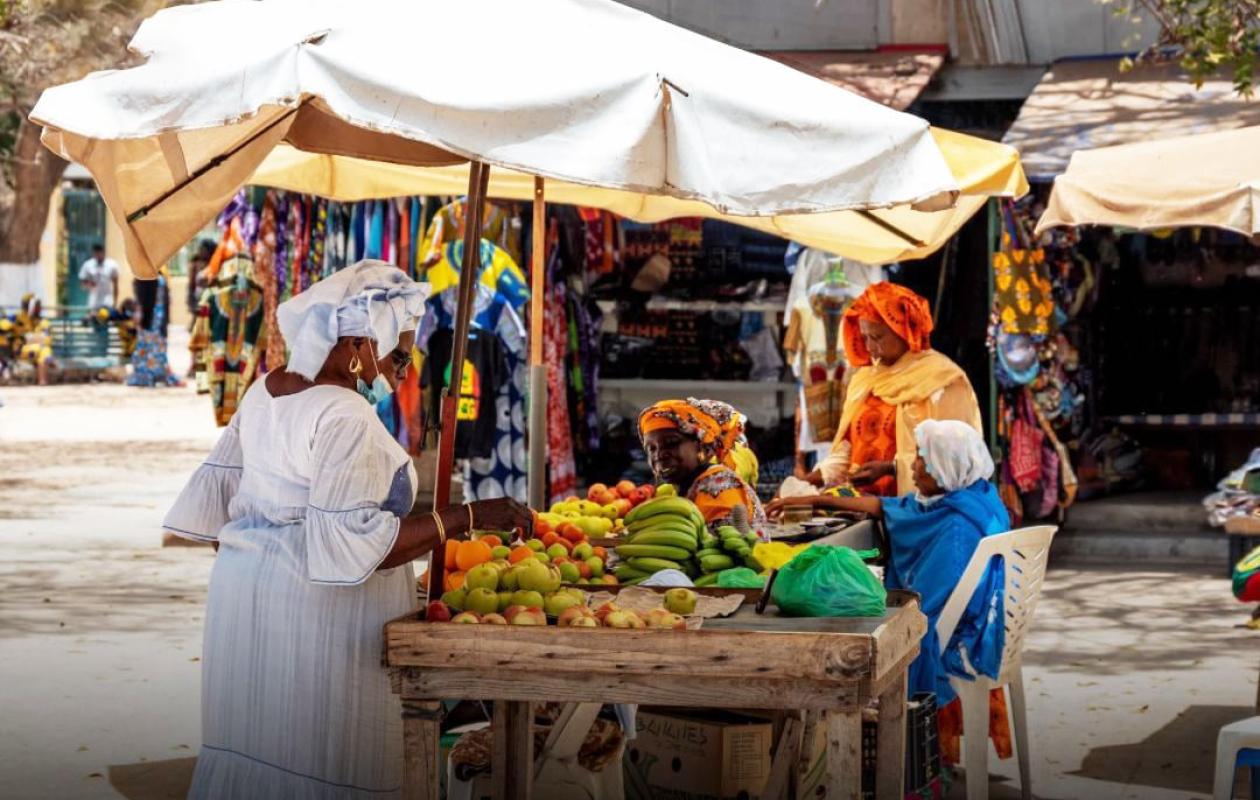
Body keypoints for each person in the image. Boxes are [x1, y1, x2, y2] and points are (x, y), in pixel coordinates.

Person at [163, 261, 533, 799]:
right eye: (400, 354)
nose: (404, 371)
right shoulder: (345, 415)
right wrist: (471, 516)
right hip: (318, 617)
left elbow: (228, 512)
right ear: (360, 342)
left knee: (262, 751)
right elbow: (356, 547)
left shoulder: (266, 389)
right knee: (327, 759)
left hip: (244, 603)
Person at [768, 419, 1013, 765]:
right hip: (971, 622)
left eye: (922, 462)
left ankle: (877, 755)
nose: (912, 468)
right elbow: (888, 507)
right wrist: (815, 498)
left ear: (945, 468)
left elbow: (924, 608)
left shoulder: (957, 527)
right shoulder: (969, 496)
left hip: (958, 636)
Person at [805, 282, 982, 496]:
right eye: (865, 337)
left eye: (877, 337)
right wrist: (810, 480)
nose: (869, 347)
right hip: (862, 507)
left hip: (915, 512)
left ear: (904, 331)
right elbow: (848, 449)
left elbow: (955, 460)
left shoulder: (944, 381)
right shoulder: (866, 379)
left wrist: (892, 468)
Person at [639, 398, 765, 527]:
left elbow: (729, 543)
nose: (659, 455)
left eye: (671, 443)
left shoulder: (719, 486)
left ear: (703, 447)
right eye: (651, 448)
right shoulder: (689, 486)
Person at [127, 267, 180, 387]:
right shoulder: (161, 279)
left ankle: (146, 375)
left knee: (147, 348)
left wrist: (140, 318)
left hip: (150, 320)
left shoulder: (144, 278)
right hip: (159, 320)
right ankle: (156, 374)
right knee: (157, 349)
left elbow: (142, 301)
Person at [14, 294, 53, 386]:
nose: (39, 308)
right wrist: (36, 338)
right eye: (35, 306)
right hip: (20, 351)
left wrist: (29, 338)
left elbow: (47, 339)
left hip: (35, 350)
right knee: (44, 350)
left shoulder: (43, 322)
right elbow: (18, 338)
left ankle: (43, 380)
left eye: (38, 306)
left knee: (44, 350)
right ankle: (43, 379)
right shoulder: (17, 318)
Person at [78, 242, 120, 311]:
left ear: (103, 252)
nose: (97, 255)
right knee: (93, 320)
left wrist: (115, 302)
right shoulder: (88, 265)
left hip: (107, 301)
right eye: (95, 253)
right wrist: (89, 284)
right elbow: (82, 284)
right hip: (93, 302)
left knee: (106, 319)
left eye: (99, 252)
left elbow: (116, 285)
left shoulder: (112, 265)